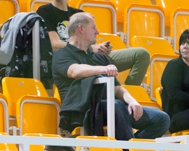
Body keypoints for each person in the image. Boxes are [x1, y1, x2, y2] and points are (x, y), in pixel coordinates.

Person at [53, 12, 170, 140]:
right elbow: (74, 71)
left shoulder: (100, 58)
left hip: (112, 107)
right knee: (116, 105)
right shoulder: (62, 54)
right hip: (85, 109)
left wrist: (132, 101)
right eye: (93, 27)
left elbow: (117, 88)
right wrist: (102, 69)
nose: (97, 31)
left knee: (161, 118)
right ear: (81, 29)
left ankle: (132, 149)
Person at [37, 0, 150, 86]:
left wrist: (100, 48)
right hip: (68, 60)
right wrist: (92, 48)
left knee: (141, 54)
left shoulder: (78, 13)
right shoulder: (45, 11)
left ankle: (127, 96)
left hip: (89, 56)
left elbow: (87, 41)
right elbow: (54, 44)